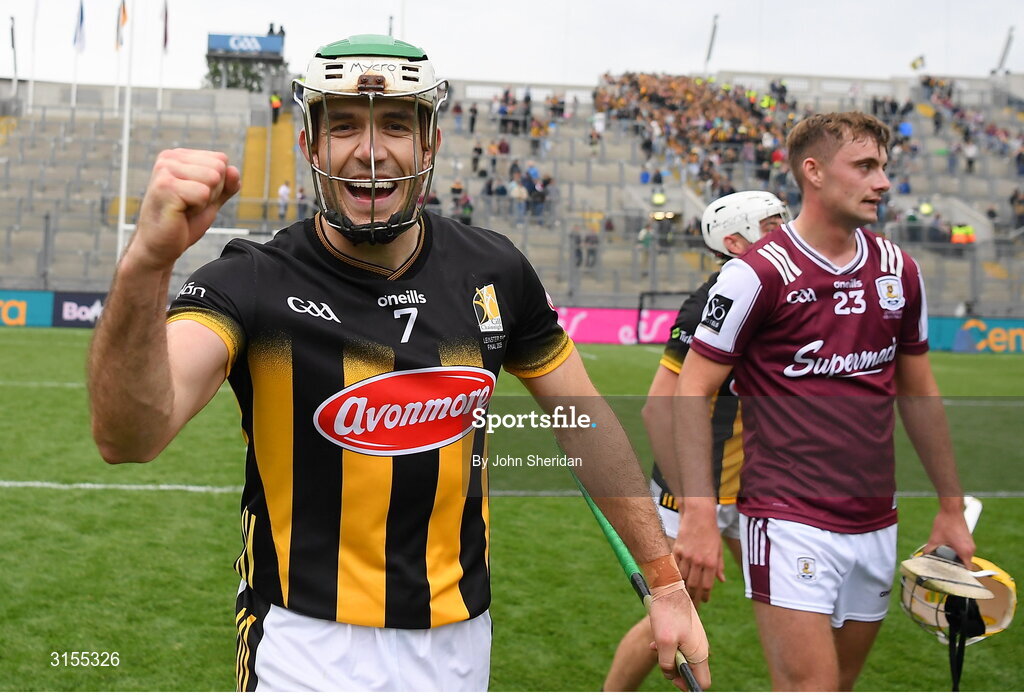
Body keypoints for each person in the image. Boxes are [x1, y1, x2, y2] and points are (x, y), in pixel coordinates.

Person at [87, 34, 710, 692]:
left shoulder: (495, 271)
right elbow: (129, 435)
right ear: (310, 147)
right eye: (346, 126)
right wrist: (146, 266)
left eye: (395, 125)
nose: (372, 150)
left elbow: (585, 426)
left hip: (460, 641)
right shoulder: (252, 281)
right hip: (303, 645)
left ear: (431, 144)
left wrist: (665, 584)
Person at [673, 112, 974, 691]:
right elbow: (692, 389)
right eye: (864, 166)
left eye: (883, 167)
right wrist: (699, 512)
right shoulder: (757, 274)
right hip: (787, 519)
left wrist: (951, 507)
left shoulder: (898, 270)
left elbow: (919, 391)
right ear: (812, 172)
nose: (882, 182)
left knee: (837, 686)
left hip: (875, 521)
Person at [605, 192, 789, 691]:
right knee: (670, 613)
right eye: (772, 226)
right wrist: (692, 506)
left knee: (798, 607)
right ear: (734, 241)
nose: (786, 234)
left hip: (754, 491)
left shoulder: (784, 293)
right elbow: (657, 407)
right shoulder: (713, 300)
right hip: (690, 492)